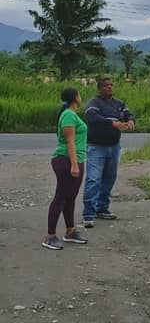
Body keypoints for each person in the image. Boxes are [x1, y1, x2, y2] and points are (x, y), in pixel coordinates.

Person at [82, 77, 135, 228]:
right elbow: (92, 117)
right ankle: (88, 214)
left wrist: (131, 120)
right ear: (99, 89)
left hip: (114, 146)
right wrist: (112, 123)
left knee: (109, 179)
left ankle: (102, 208)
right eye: (106, 86)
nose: (109, 87)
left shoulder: (118, 103)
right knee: (94, 179)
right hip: (96, 147)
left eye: (111, 85)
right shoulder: (94, 103)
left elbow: (128, 113)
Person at [42, 87, 88, 250]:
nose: (81, 97)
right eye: (79, 94)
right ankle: (50, 236)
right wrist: (74, 165)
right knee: (61, 197)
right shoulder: (68, 114)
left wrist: (77, 162)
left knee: (70, 197)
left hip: (76, 160)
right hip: (66, 161)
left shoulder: (72, 114)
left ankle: (70, 231)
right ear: (75, 97)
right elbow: (70, 141)